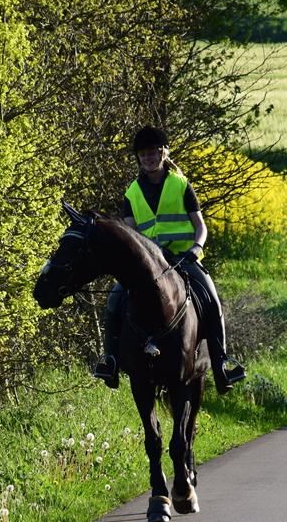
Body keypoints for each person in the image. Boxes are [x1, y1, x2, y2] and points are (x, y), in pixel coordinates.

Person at [92, 125, 246, 394]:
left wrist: (197, 247)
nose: (148, 158)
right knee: (114, 300)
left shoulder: (180, 185)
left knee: (211, 299)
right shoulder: (132, 193)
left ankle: (222, 365)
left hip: (184, 259)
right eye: (143, 154)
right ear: (138, 158)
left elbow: (200, 225)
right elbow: (132, 234)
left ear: (163, 153)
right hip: (148, 266)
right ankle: (111, 361)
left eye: (153, 152)